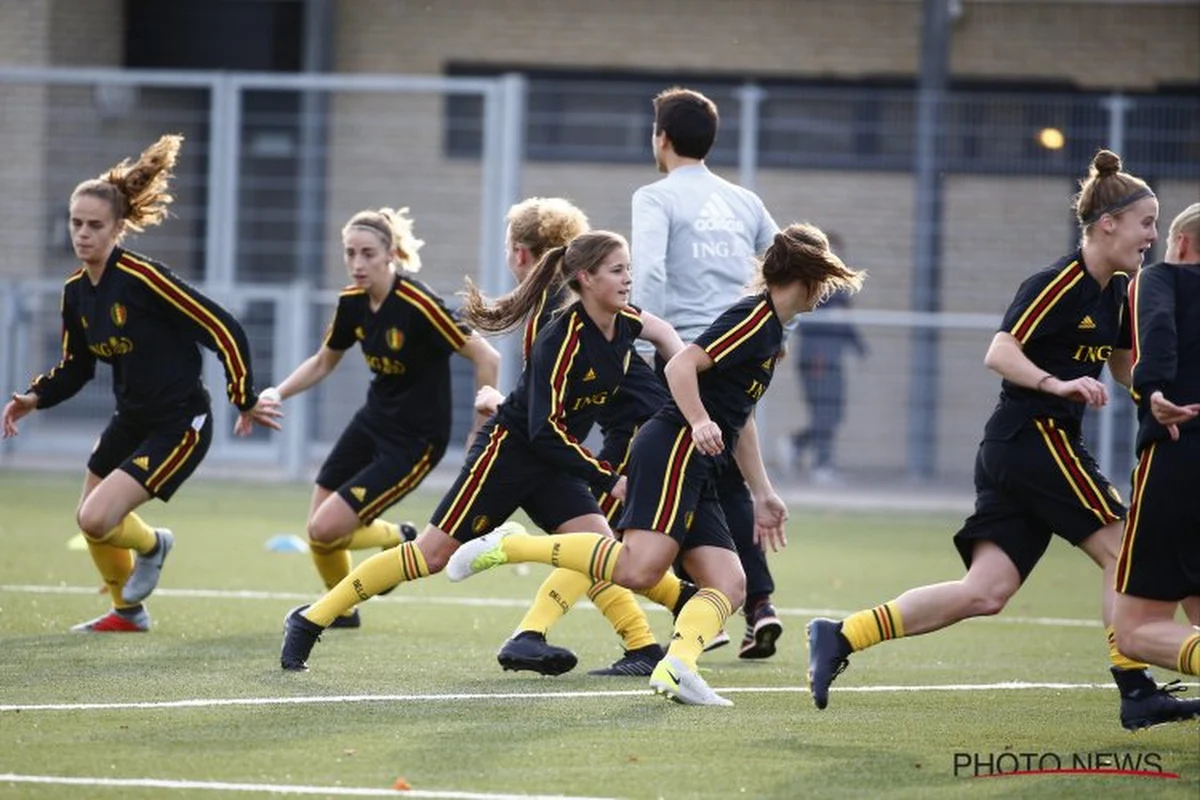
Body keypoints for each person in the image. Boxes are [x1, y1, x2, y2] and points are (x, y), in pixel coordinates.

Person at [806, 150, 1200, 731]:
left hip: (1022, 450)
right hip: (1033, 437)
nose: (1151, 236)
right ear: (1107, 223)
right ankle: (1136, 687)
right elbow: (999, 351)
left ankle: (841, 634)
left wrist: (1153, 395)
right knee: (1125, 551)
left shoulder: (1118, 291)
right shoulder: (1058, 281)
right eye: (1146, 222)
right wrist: (1055, 382)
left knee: (985, 592)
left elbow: (1122, 365)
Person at [448, 223, 865, 706]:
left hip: (702, 463)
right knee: (637, 571)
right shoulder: (751, 320)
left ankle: (678, 668)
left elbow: (739, 415)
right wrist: (699, 420)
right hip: (671, 450)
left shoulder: (772, 330)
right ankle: (514, 546)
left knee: (729, 584)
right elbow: (680, 365)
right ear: (808, 278)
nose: (827, 293)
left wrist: (762, 491)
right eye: (827, 281)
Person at [279, 230, 686, 671]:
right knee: (430, 555)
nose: (628, 278)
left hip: (556, 461)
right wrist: (609, 478)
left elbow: (664, 335)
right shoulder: (560, 338)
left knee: (599, 551)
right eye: (617, 270)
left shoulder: (626, 322)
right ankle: (312, 620)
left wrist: (688, 389)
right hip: (509, 455)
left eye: (628, 269)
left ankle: (643, 646)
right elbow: (543, 430)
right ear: (586, 278)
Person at [0, 134, 281, 632]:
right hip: (130, 419)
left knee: (95, 519)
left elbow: (223, 327)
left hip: (180, 423)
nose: (83, 234)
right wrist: (34, 397)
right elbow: (76, 367)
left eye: (95, 225)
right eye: (76, 224)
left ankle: (155, 544)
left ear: (118, 228)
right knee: (90, 521)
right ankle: (129, 614)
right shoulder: (75, 293)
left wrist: (244, 397)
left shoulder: (144, 278)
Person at [475, 197, 692, 678]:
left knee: (590, 542)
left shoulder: (562, 310)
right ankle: (656, 632)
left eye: (509, 247)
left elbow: (546, 404)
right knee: (591, 542)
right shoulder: (567, 305)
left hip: (639, 435)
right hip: (628, 433)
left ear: (522, 254)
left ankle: (535, 635)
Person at [262, 206, 499, 628]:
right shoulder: (351, 303)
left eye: (367, 253)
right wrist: (275, 392)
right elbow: (322, 362)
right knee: (320, 532)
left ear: (390, 254)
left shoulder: (419, 303)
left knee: (324, 528)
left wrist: (479, 431)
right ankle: (344, 610)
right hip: (372, 421)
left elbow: (486, 356)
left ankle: (393, 542)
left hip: (416, 439)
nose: (357, 263)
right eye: (350, 253)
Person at [630, 86, 784, 659]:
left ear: (661, 139)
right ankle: (754, 602)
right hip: (746, 344)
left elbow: (647, 271)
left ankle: (703, 599)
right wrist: (771, 330)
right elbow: (780, 260)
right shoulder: (743, 200)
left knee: (658, 462)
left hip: (686, 350)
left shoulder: (655, 196)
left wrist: (641, 336)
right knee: (724, 473)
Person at [1113, 202, 1200, 683]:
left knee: (1136, 630)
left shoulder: (1160, 278)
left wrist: (1153, 391)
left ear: (1182, 242)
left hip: (1179, 450)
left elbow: (1158, 329)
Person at [788, 232, 867, 484]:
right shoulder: (810, 283)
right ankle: (821, 464)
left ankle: (797, 444)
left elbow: (845, 322)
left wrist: (859, 346)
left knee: (834, 411)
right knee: (824, 410)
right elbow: (801, 319)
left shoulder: (840, 286)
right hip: (817, 357)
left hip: (833, 358)